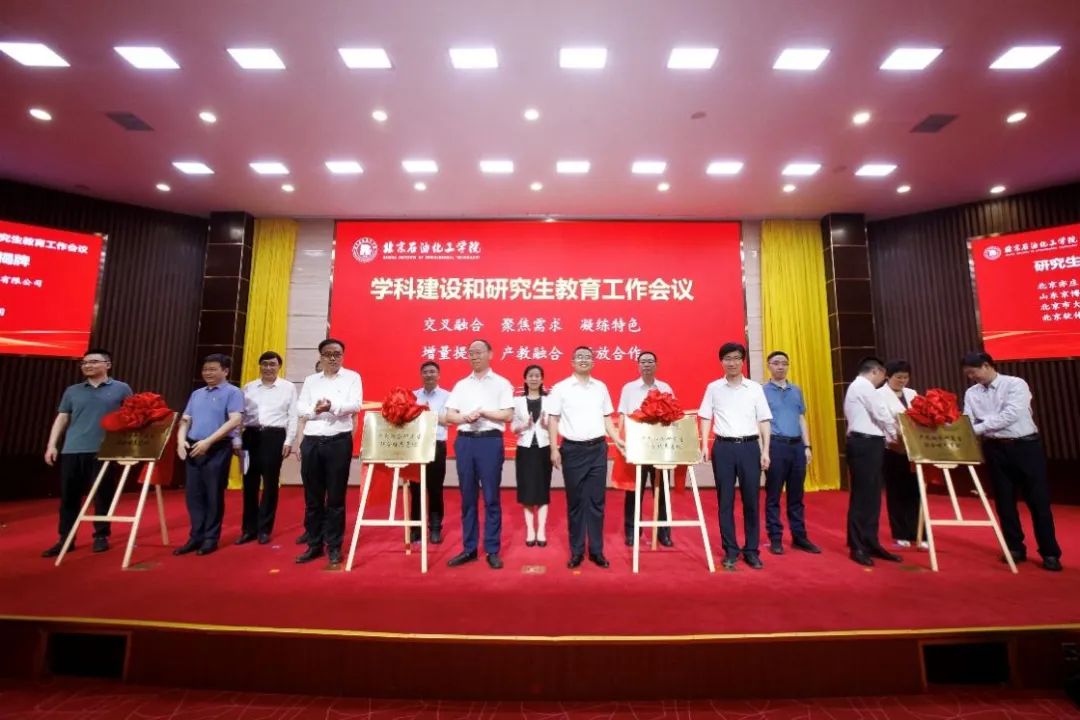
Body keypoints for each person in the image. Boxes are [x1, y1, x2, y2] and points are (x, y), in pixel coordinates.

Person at [962, 351, 1062, 572]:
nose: (971, 377)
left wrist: (977, 428)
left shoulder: (1015, 384)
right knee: (1004, 502)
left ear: (986, 365)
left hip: (1025, 447)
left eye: (973, 372)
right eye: (968, 374)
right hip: (994, 449)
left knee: (1038, 501)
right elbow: (967, 418)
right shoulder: (971, 393)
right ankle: (1014, 548)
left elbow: (1011, 415)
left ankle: (1050, 552)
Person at [42, 349, 133, 557]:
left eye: (93, 362)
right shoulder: (73, 391)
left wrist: (127, 449)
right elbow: (62, 418)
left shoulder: (121, 388)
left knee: (103, 495)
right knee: (69, 496)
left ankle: (101, 536)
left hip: (105, 451)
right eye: (84, 363)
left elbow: (131, 417)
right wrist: (52, 445)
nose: (87, 366)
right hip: (72, 449)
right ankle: (66, 538)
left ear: (107, 365)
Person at [698, 342, 772, 570]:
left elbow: (764, 420)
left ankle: (751, 551)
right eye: (727, 358)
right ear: (721, 362)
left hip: (750, 447)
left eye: (736, 358)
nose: (732, 362)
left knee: (751, 500)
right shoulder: (714, 388)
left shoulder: (755, 388)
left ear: (743, 361)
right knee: (725, 501)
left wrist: (765, 450)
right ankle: (730, 550)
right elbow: (706, 417)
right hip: (724, 448)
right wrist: (704, 444)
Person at [548, 346, 624, 570]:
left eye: (587, 357)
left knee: (597, 502)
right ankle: (577, 551)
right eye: (579, 357)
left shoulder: (600, 387)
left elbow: (606, 418)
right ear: (572, 362)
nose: (583, 360)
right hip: (572, 450)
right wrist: (553, 449)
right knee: (576, 502)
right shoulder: (561, 388)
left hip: (598, 449)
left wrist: (617, 439)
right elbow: (553, 420)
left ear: (593, 362)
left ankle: (597, 551)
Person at [444, 339, 515, 570]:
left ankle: (492, 550)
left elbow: (507, 415)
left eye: (479, 352)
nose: (474, 356)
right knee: (467, 497)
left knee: (491, 497)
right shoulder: (461, 385)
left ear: (490, 354)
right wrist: (465, 417)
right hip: (465, 442)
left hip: (489, 442)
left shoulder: (502, 383)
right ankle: (469, 548)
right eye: (471, 352)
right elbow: (449, 416)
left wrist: (484, 413)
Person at [295, 338, 362, 566]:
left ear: (342, 356)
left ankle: (334, 546)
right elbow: (301, 408)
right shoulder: (311, 380)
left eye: (337, 354)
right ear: (321, 356)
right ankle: (314, 544)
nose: (333, 358)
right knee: (312, 498)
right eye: (328, 354)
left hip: (338, 441)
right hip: (312, 440)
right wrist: (315, 410)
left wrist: (331, 406)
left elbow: (355, 405)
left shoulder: (352, 377)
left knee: (335, 497)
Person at [174, 353, 244, 556]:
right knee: (193, 494)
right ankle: (195, 536)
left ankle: (211, 538)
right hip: (193, 446)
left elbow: (234, 420)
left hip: (217, 447)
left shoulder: (233, 392)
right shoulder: (197, 393)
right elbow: (185, 420)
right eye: (205, 369)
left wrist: (209, 442)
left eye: (213, 369)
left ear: (225, 371)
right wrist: (180, 440)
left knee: (213, 493)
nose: (208, 373)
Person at [842, 356, 903, 567]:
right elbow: (882, 414)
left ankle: (870, 541)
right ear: (875, 371)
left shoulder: (863, 387)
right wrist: (898, 436)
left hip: (872, 444)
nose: (883, 380)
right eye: (883, 376)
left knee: (873, 496)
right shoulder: (863, 386)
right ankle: (858, 545)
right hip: (864, 443)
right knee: (863, 496)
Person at [762, 351, 821, 555]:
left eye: (784, 363)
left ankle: (799, 537)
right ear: (768, 366)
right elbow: (761, 423)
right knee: (773, 495)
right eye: (776, 363)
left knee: (797, 495)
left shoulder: (796, 390)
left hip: (797, 447)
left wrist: (807, 446)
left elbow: (801, 418)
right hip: (776, 446)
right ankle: (775, 538)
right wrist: (764, 450)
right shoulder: (762, 392)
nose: (780, 367)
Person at [237, 350, 297, 546]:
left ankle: (264, 529)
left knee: (270, 484)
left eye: (272, 364)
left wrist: (289, 441)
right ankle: (248, 529)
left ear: (279, 367)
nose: (268, 368)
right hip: (249, 437)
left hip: (274, 437)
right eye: (265, 364)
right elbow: (239, 416)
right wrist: (236, 439)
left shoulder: (288, 387)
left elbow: (293, 416)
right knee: (249, 484)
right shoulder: (248, 387)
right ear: (260, 366)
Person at [617, 350, 674, 548]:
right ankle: (632, 532)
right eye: (643, 361)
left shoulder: (665, 387)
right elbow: (623, 415)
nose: (647, 364)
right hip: (637, 448)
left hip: (660, 449)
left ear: (656, 365)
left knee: (662, 491)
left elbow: (673, 415)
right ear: (638, 365)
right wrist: (620, 442)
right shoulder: (629, 389)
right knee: (634, 491)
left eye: (650, 361)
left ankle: (664, 532)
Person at [876, 360, 921, 549]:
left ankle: (919, 532)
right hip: (892, 448)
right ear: (888, 376)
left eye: (905, 377)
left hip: (914, 449)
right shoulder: (879, 395)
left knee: (915, 491)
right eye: (898, 377)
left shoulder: (912, 393)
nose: (902, 381)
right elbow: (883, 421)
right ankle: (900, 533)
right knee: (896, 492)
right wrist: (898, 436)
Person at [512, 364, 553, 548]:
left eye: (537, 375)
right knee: (527, 491)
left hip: (544, 448)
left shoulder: (550, 401)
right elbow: (513, 428)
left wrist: (545, 425)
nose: (534, 378)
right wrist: (524, 426)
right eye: (531, 375)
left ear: (542, 379)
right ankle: (530, 530)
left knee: (543, 491)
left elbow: (556, 425)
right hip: (525, 450)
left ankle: (541, 530)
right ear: (525, 379)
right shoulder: (517, 401)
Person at [411, 360, 450, 544]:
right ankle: (416, 529)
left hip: (436, 445)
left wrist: (427, 412)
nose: (429, 374)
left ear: (438, 375)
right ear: (421, 375)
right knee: (416, 489)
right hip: (415, 446)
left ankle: (435, 528)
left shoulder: (447, 396)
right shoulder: (413, 395)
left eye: (432, 371)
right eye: (425, 372)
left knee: (435, 489)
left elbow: (448, 420)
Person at [295, 358, 322, 546]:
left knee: (331, 493)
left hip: (333, 445)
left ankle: (327, 529)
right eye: (319, 370)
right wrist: (300, 445)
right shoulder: (309, 391)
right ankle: (311, 529)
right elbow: (301, 420)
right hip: (310, 444)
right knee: (311, 491)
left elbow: (352, 421)